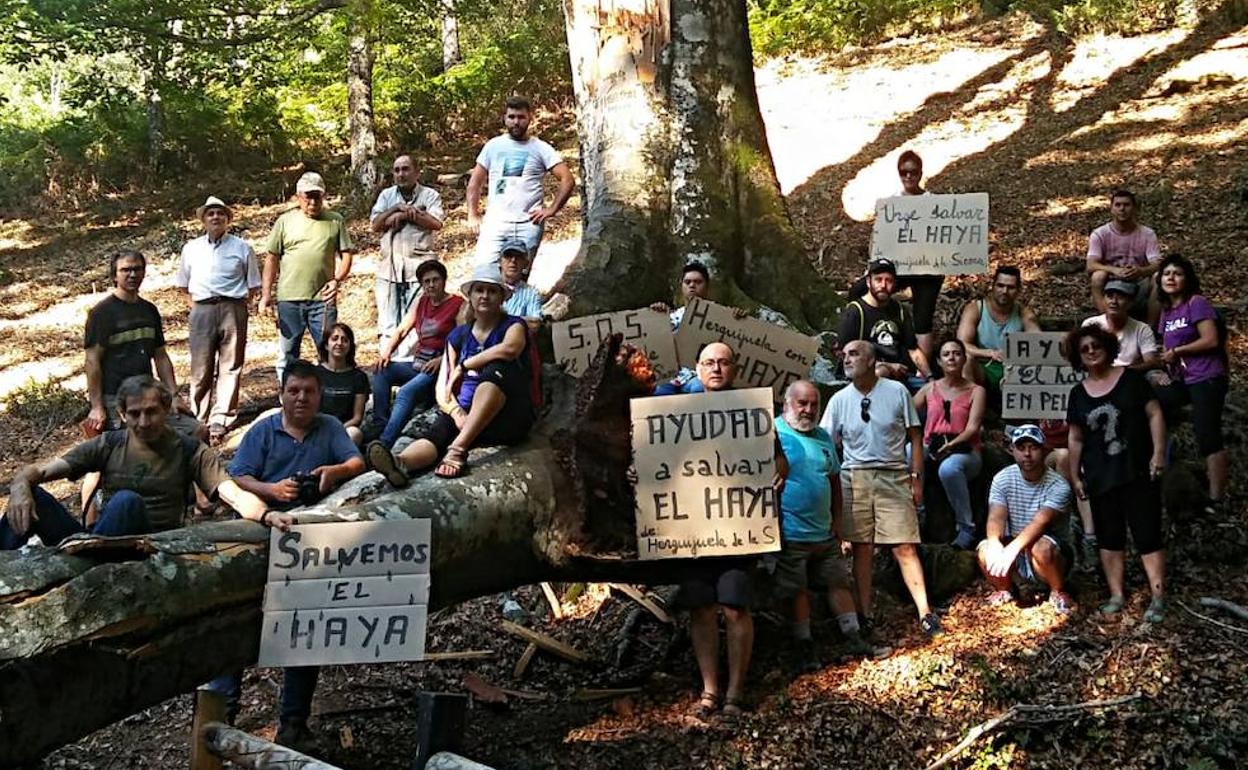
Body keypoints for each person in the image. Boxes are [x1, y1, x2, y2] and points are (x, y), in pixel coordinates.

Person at [210, 359, 366, 747]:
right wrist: (272, 491)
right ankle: (219, 713)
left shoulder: (329, 426)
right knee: (237, 624)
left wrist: (334, 472)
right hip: (260, 529)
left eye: (309, 392)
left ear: (320, 395)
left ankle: (293, 722)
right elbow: (238, 476)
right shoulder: (264, 430)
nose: (301, 399)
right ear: (282, 394)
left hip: (308, 543)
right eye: (294, 391)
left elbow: (356, 461)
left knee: (306, 626)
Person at [1, 376, 282, 551]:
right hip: (97, 542)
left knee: (127, 502)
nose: (144, 422)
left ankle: (87, 549)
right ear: (123, 415)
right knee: (34, 496)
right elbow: (40, 471)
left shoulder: (189, 449)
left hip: (150, 546)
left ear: (166, 409)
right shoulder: (109, 443)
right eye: (135, 414)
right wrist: (21, 487)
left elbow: (233, 495)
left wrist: (267, 516)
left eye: (151, 412)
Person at [668, 342, 771, 722]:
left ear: (734, 369)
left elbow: (777, 461)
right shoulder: (675, 412)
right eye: (709, 362)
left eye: (723, 362)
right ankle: (709, 689)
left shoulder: (751, 412)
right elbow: (657, 460)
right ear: (697, 368)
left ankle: (735, 692)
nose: (716, 368)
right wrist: (641, 474)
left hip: (737, 526)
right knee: (700, 607)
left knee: (734, 606)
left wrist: (775, 477)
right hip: (690, 529)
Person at [366, 263, 537, 483]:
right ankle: (400, 463)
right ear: (471, 296)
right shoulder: (459, 335)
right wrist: (456, 412)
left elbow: (510, 349)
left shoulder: (513, 325)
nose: (485, 296)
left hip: (506, 416)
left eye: (492, 291)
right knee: (438, 431)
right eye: (479, 290)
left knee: (496, 369)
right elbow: (442, 388)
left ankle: (458, 449)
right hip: (465, 418)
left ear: (502, 297)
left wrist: (465, 365)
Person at [819, 340, 942, 639]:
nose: (847, 359)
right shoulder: (838, 400)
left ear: (872, 360)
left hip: (893, 474)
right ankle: (865, 614)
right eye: (845, 355)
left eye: (854, 354)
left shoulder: (896, 391)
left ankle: (925, 611)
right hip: (854, 477)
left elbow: (915, 436)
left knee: (904, 545)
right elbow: (826, 442)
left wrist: (916, 477)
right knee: (862, 548)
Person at [1065, 324, 1167, 623]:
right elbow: (1075, 438)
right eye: (1084, 349)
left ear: (1107, 347)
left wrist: (1159, 453)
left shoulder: (1132, 380)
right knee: (1110, 537)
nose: (1091, 351)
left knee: (1147, 532)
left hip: (1137, 468)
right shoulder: (1078, 393)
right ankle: (1116, 595)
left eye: (1096, 345)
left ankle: (1158, 595)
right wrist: (1076, 475)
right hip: (1100, 475)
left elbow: (1154, 414)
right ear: (1078, 357)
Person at [773, 379, 873, 673]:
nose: (808, 410)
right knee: (797, 589)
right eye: (802, 403)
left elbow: (834, 481)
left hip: (824, 531)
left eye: (814, 404)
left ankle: (853, 637)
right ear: (786, 404)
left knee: (838, 582)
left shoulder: (823, 437)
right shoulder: (773, 434)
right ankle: (804, 645)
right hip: (789, 532)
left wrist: (838, 523)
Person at [175, 196, 261, 443]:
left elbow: (253, 284)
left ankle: (221, 418)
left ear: (227, 219)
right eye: (211, 213)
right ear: (203, 219)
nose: (215, 217)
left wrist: (240, 305)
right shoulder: (191, 248)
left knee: (231, 364)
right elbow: (182, 284)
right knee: (200, 366)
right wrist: (195, 306)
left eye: (220, 214)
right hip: (201, 309)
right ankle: (197, 417)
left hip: (232, 308)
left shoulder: (242, 248)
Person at [85, 250, 199, 436]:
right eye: (126, 270)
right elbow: (92, 362)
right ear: (115, 275)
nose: (132, 274)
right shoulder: (102, 314)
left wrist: (173, 395)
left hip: (147, 395)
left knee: (196, 430)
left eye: (137, 269)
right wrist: (97, 406)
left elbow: (160, 356)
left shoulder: (149, 310)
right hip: (115, 398)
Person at [260, 171, 356, 383]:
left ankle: (330, 395)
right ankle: (288, 396)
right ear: (298, 197)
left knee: (328, 350)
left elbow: (346, 254)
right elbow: (272, 258)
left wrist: (336, 279)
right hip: (289, 298)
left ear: (323, 196)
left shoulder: (335, 221)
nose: (312, 201)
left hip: (322, 300)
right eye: (308, 196)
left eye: (317, 196)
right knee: (288, 353)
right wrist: (266, 294)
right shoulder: (284, 221)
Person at [466, 96, 575, 267]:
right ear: (505, 118)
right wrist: (472, 214)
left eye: (521, 117)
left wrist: (552, 209)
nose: (516, 122)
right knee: (484, 273)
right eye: (511, 117)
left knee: (519, 277)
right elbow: (475, 182)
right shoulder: (493, 146)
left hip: (528, 224)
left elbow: (567, 179)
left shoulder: (540, 148)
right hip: (495, 223)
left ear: (530, 117)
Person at [978, 424, 1075, 615]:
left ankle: (1057, 590)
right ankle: (1004, 589)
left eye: (1033, 447)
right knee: (986, 549)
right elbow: (996, 516)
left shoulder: (1058, 485)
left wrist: (1011, 550)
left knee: (1042, 548)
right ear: (1012, 451)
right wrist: (995, 543)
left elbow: (1040, 522)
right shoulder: (1002, 479)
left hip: (1049, 550)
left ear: (1044, 450)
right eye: (1021, 448)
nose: (1027, 454)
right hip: (1016, 548)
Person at [1156, 254, 1228, 510]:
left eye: (1177, 273)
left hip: (1207, 376)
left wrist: (1178, 353)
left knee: (1207, 432)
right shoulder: (1166, 312)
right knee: (1153, 402)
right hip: (1183, 379)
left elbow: (1211, 340)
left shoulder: (1196, 303)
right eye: (1166, 274)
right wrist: (1168, 369)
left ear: (1187, 279)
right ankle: (1160, 460)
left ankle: (1216, 497)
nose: (1171, 278)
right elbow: (1167, 349)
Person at [372, 259, 466, 449]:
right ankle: (379, 426)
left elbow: (463, 340)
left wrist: (442, 360)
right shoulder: (422, 302)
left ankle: (384, 443)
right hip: (418, 362)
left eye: (435, 280)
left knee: (405, 392)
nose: (431, 285)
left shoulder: (458, 304)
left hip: (440, 368)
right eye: (426, 281)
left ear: (444, 280)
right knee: (381, 372)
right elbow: (401, 330)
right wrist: (386, 353)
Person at [912, 339, 986, 550]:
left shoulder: (976, 391)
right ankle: (918, 510)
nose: (951, 358)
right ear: (939, 361)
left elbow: (972, 428)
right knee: (909, 452)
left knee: (949, 468)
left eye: (956, 353)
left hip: (965, 450)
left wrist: (950, 445)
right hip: (932, 445)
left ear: (964, 359)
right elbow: (906, 411)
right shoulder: (929, 389)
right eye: (946, 354)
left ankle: (966, 527)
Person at [369, 154, 445, 342]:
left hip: (420, 269)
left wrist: (405, 216)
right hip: (389, 270)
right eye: (397, 170)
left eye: (405, 169)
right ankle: (387, 362)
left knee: (416, 321)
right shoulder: (386, 196)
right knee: (387, 322)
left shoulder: (430, 195)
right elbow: (375, 225)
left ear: (416, 172)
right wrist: (396, 208)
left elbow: (436, 223)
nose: (401, 174)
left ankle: (410, 367)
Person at [838, 258, 931, 390]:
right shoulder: (855, 311)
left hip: (901, 374)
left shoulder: (900, 310)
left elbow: (913, 350)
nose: (883, 285)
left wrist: (930, 378)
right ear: (869, 282)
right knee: (882, 373)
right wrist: (887, 366)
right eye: (878, 280)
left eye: (888, 280)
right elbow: (845, 355)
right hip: (865, 375)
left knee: (932, 390)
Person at [956, 266, 1040, 393]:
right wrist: (991, 353)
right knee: (966, 360)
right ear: (993, 286)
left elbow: (1039, 341)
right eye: (1000, 285)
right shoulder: (976, 309)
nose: (1004, 291)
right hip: (984, 368)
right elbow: (961, 344)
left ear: (1018, 290)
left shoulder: (1023, 313)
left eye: (1010, 287)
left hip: (1015, 370)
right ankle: (970, 407)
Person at [1086, 189, 1161, 321]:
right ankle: (1107, 323)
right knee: (1097, 276)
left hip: (1139, 282)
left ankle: (1150, 327)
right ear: (1111, 209)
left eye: (1126, 205)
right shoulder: (1100, 234)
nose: (1122, 209)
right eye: (1118, 205)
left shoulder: (1147, 234)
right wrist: (1114, 270)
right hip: (1111, 281)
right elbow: (1091, 265)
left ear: (1134, 208)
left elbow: (1157, 263)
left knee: (1159, 277)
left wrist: (1141, 271)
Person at [1082, 279, 1165, 377]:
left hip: (1129, 376)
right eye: (1109, 297)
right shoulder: (1091, 324)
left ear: (1130, 303)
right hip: (1099, 374)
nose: (1114, 302)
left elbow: (1151, 361)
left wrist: (1124, 370)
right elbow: (1083, 355)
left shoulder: (1141, 328)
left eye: (1120, 297)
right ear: (1104, 300)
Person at [317, 324, 370, 446]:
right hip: (316, 427)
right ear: (326, 345)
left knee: (355, 433)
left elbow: (357, 417)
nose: (339, 343)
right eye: (334, 338)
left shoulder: (359, 377)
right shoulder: (315, 374)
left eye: (345, 340)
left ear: (350, 346)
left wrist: (336, 429)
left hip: (344, 429)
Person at [499, 239, 544, 331]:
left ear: (526, 264)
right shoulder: (488, 287)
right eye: (508, 255)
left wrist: (499, 321)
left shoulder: (531, 293)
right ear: (500, 261)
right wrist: (520, 320)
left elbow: (535, 324)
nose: (513, 260)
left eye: (518, 257)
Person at [651, 261, 711, 330]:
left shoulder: (720, 319)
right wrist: (656, 317)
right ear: (681, 286)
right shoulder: (672, 319)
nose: (692, 285)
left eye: (698, 282)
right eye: (687, 282)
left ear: (707, 286)